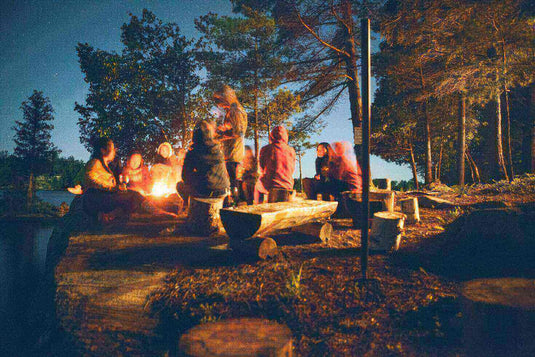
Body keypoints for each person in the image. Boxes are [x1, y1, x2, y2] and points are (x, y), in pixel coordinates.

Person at [82, 138, 174, 222]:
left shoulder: (106, 166)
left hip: (105, 195)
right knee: (134, 195)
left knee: (133, 198)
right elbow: (92, 180)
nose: (115, 151)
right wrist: (114, 188)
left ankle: (109, 216)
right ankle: (157, 212)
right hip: (98, 198)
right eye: (113, 148)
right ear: (103, 150)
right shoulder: (95, 163)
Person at [177, 120, 230, 201]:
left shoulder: (193, 152)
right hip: (223, 190)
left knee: (180, 185)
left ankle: (187, 205)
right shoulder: (217, 149)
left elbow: (185, 176)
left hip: (207, 192)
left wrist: (197, 176)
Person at [213, 84, 247, 204]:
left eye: (219, 100)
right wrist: (222, 129)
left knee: (233, 181)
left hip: (233, 153)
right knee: (231, 180)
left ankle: (236, 206)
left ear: (225, 97)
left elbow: (239, 132)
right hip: (230, 153)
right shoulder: (231, 110)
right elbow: (232, 128)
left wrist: (220, 137)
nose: (218, 104)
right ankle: (233, 204)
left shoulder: (235, 110)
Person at [255, 126, 296, 203]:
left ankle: (257, 208)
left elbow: (261, 167)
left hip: (271, 185)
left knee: (257, 186)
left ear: (272, 136)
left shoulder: (266, 149)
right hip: (288, 185)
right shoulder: (291, 150)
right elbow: (292, 169)